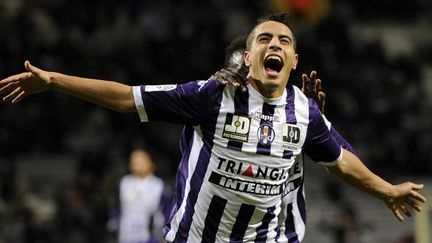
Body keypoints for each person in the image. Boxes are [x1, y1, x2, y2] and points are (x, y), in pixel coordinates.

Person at [0, 13, 427, 242]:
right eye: (264, 39)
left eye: (284, 41)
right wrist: (55, 80)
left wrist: (387, 189)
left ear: (294, 61)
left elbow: (340, 162)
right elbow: (127, 97)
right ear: (246, 55)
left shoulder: (305, 111)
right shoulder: (213, 95)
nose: (275, 45)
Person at [214, 34, 357, 242]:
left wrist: (316, 124)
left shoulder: (293, 115)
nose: (247, 78)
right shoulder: (210, 112)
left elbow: (347, 159)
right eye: (239, 72)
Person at [108, 149, 169, 243]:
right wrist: (114, 221)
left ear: (151, 163)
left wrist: (165, 234)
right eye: (133, 159)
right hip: (126, 235)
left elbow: (167, 211)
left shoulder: (159, 186)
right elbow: (116, 206)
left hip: (150, 236)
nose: (135, 162)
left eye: (141, 159)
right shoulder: (124, 183)